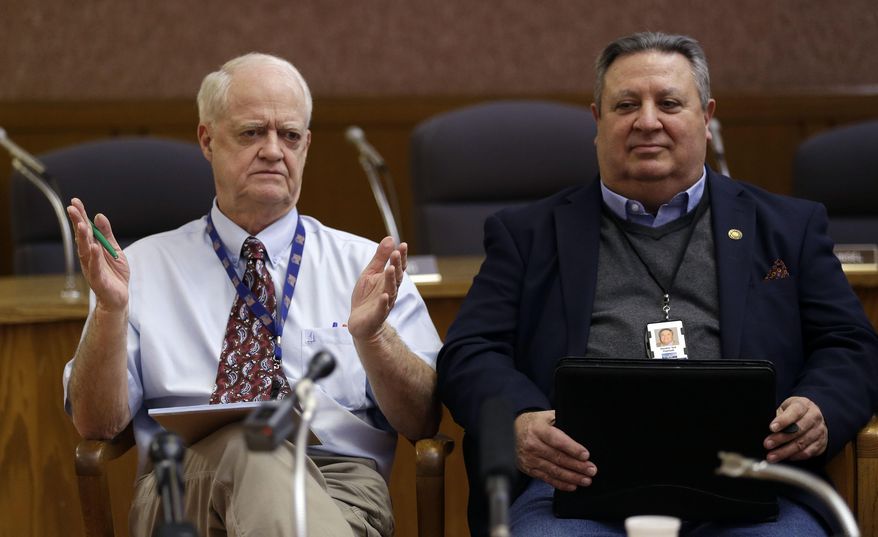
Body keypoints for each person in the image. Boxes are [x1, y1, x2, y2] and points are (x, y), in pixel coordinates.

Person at [437, 32, 878, 536]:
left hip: (752, 482)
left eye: (669, 103)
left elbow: (851, 345)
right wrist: (518, 420)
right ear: (597, 120)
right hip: (573, 489)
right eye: (626, 104)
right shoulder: (527, 234)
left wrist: (819, 405)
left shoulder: (787, 227)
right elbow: (470, 351)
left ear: (705, 117)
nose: (648, 121)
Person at [63, 52, 442, 537]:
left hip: (340, 490)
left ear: (306, 146)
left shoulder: (368, 269)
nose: (272, 150)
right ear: (207, 140)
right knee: (253, 444)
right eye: (251, 133)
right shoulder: (138, 269)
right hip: (185, 490)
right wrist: (111, 312)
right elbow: (97, 424)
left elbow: (424, 418)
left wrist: (373, 339)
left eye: (288, 135)